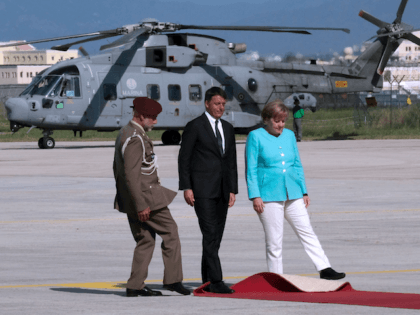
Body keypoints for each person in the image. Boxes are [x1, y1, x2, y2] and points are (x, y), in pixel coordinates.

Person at [245, 99, 345, 280]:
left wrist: (304, 190)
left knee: (306, 231)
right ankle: (277, 277)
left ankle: (324, 268)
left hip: (293, 192)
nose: (280, 125)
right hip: (268, 195)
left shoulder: (290, 135)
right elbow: (250, 168)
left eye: (283, 121)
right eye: (277, 121)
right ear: (266, 119)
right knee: (274, 240)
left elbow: (297, 164)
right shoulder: (255, 136)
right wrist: (255, 195)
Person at [113, 97, 190, 297]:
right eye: (152, 118)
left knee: (145, 239)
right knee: (171, 232)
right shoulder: (135, 139)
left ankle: (135, 285)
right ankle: (173, 280)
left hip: (131, 198)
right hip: (145, 199)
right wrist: (141, 205)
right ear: (140, 115)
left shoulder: (125, 132)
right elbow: (131, 174)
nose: (155, 122)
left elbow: (118, 171)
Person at [178, 87, 238, 293]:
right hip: (202, 190)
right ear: (206, 104)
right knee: (210, 233)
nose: (220, 107)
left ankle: (206, 278)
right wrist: (186, 187)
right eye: (216, 104)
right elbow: (184, 159)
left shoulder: (228, 128)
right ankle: (216, 280)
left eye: (223, 104)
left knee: (215, 237)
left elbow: (231, 161)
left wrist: (232, 189)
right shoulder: (195, 126)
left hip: (222, 190)